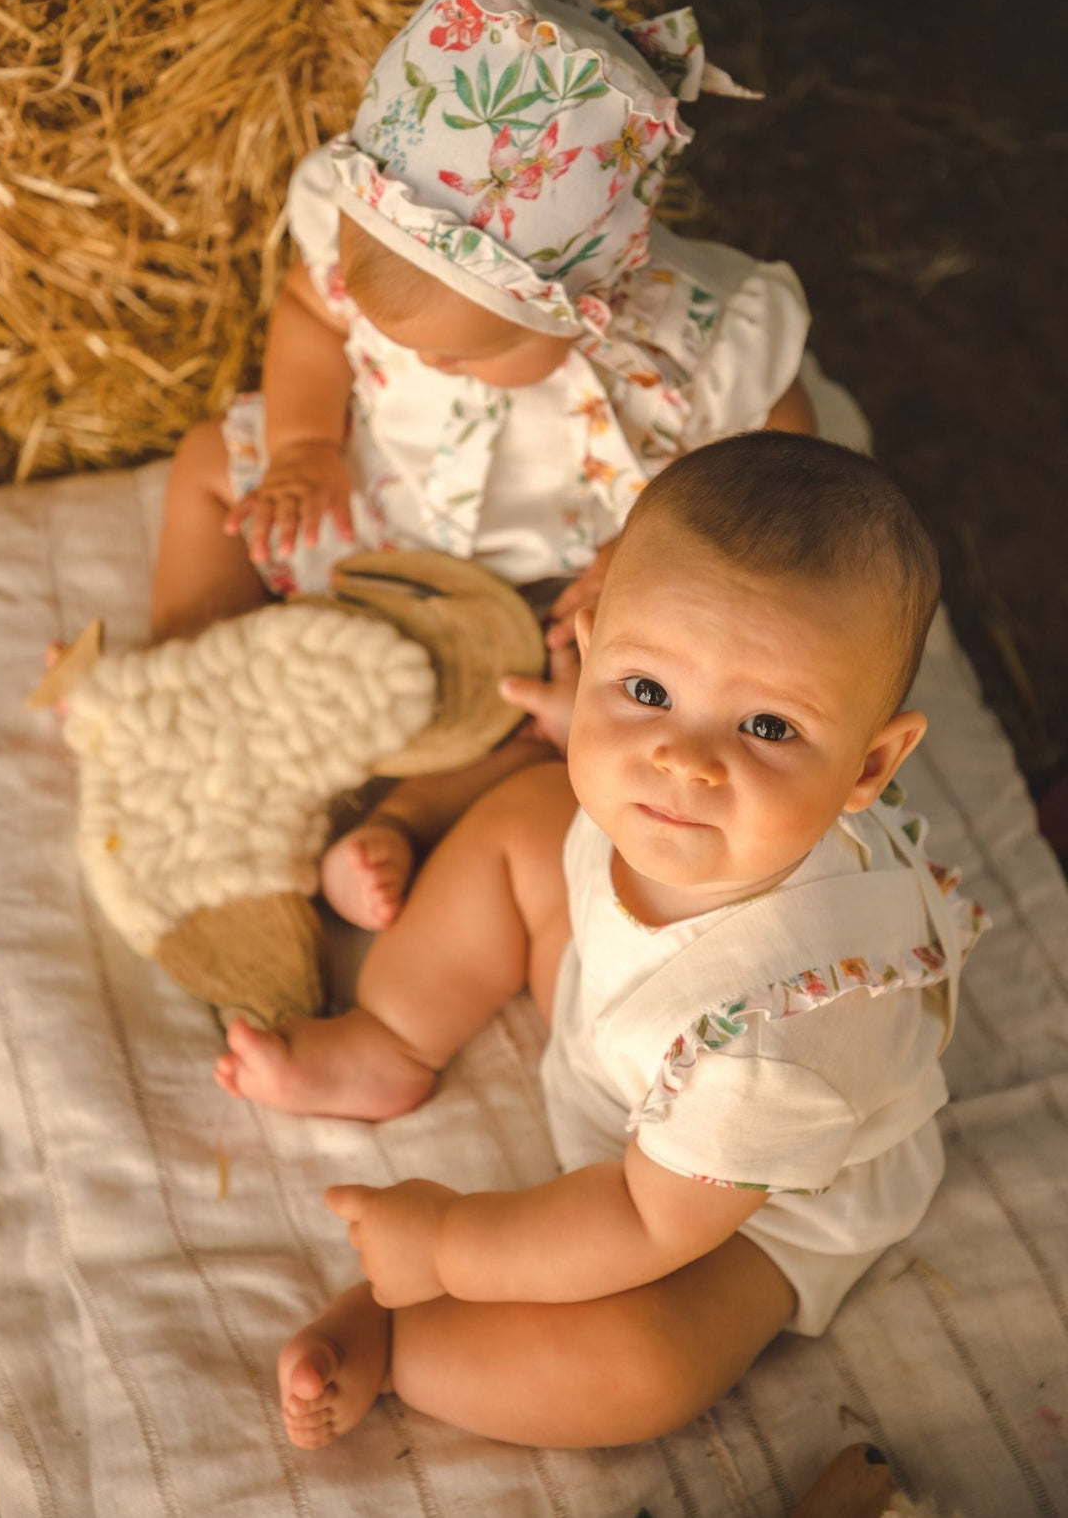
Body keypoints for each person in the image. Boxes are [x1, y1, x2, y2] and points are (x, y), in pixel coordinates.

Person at [213, 432, 989, 1450]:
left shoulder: (777, 1050)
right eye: (648, 692)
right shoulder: (651, 789)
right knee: (525, 821)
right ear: (584, 653)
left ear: (868, 766)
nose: (681, 761)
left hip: (739, 1208)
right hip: (620, 1024)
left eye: (766, 728)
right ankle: (386, 1041)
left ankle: (404, 1345)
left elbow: (637, 1220)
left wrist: (449, 1246)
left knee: (640, 1366)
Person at [150, 0, 838, 932]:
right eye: (399, 343)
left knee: (578, 711)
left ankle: (402, 819)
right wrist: (303, 446)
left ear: (585, 305)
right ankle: (186, 673)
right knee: (210, 468)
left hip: (553, 582)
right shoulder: (361, 240)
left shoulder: (693, 333)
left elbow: (780, 453)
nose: (427, 369)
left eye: (465, 357)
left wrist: (643, 561)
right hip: (382, 508)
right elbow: (307, 314)